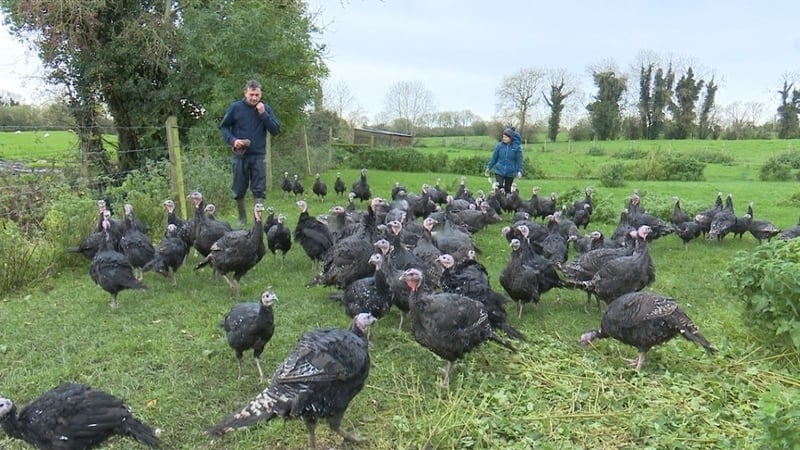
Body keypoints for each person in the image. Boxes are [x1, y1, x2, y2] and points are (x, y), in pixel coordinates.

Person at [220, 79, 281, 227]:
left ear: (261, 94)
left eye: (257, 95)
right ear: (245, 93)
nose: (254, 98)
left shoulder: (265, 108)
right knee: (239, 189)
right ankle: (242, 218)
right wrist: (233, 140)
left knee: (259, 190)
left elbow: (275, 130)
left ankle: (257, 220)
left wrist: (263, 114)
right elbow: (224, 127)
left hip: (259, 156)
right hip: (240, 155)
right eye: (251, 94)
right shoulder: (235, 108)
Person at [485, 127, 523, 193]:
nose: (504, 138)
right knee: (499, 188)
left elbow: (519, 161)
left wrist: (520, 171)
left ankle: (507, 203)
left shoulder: (517, 148)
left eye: (506, 137)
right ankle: (499, 202)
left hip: (510, 172)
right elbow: (494, 158)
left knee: (508, 190)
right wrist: (488, 167)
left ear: (510, 138)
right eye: (503, 136)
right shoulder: (499, 146)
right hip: (499, 171)